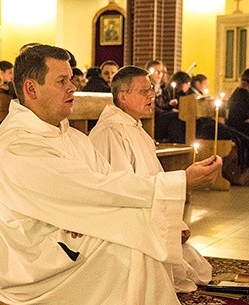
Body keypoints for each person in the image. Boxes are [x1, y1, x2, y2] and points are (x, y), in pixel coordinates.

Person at [0, 44, 225, 305]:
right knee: (132, 242)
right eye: (62, 81)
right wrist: (180, 183)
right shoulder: (21, 146)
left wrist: (166, 203)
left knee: (136, 230)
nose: (73, 87)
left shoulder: (69, 137)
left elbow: (107, 183)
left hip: (63, 238)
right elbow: (93, 191)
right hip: (32, 258)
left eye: (71, 78)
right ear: (30, 89)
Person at [89, 66, 213, 293]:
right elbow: (121, 192)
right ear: (122, 96)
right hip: (124, 226)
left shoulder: (137, 129)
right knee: (171, 274)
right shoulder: (110, 132)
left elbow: (155, 178)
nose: (151, 95)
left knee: (195, 268)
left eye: (151, 90)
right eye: (143, 91)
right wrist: (165, 223)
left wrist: (176, 223)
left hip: (148, 215)